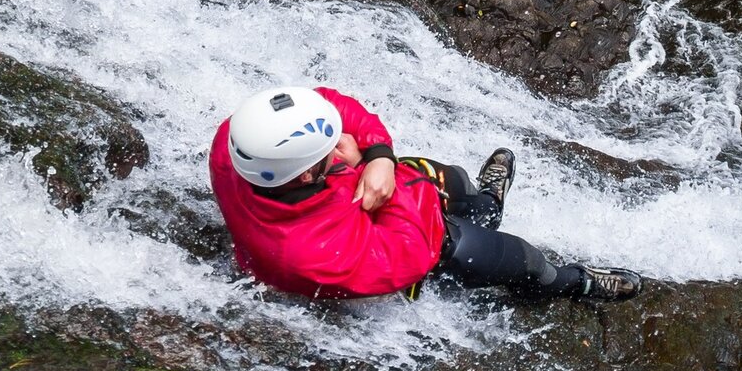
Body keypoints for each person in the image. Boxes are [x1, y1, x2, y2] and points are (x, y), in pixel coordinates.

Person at [207, 85, 643, 302]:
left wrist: (378, 155)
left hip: (366, 199)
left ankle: (487, 203)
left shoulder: (240, 140)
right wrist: (366, 166)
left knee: (454, 180)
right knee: (521, 258)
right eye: (330, 148)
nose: (341, 139)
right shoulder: (313, 251)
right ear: (305, 176)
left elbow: (330, 103)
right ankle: (576, 283)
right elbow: (416, 249)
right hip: (416, 247)